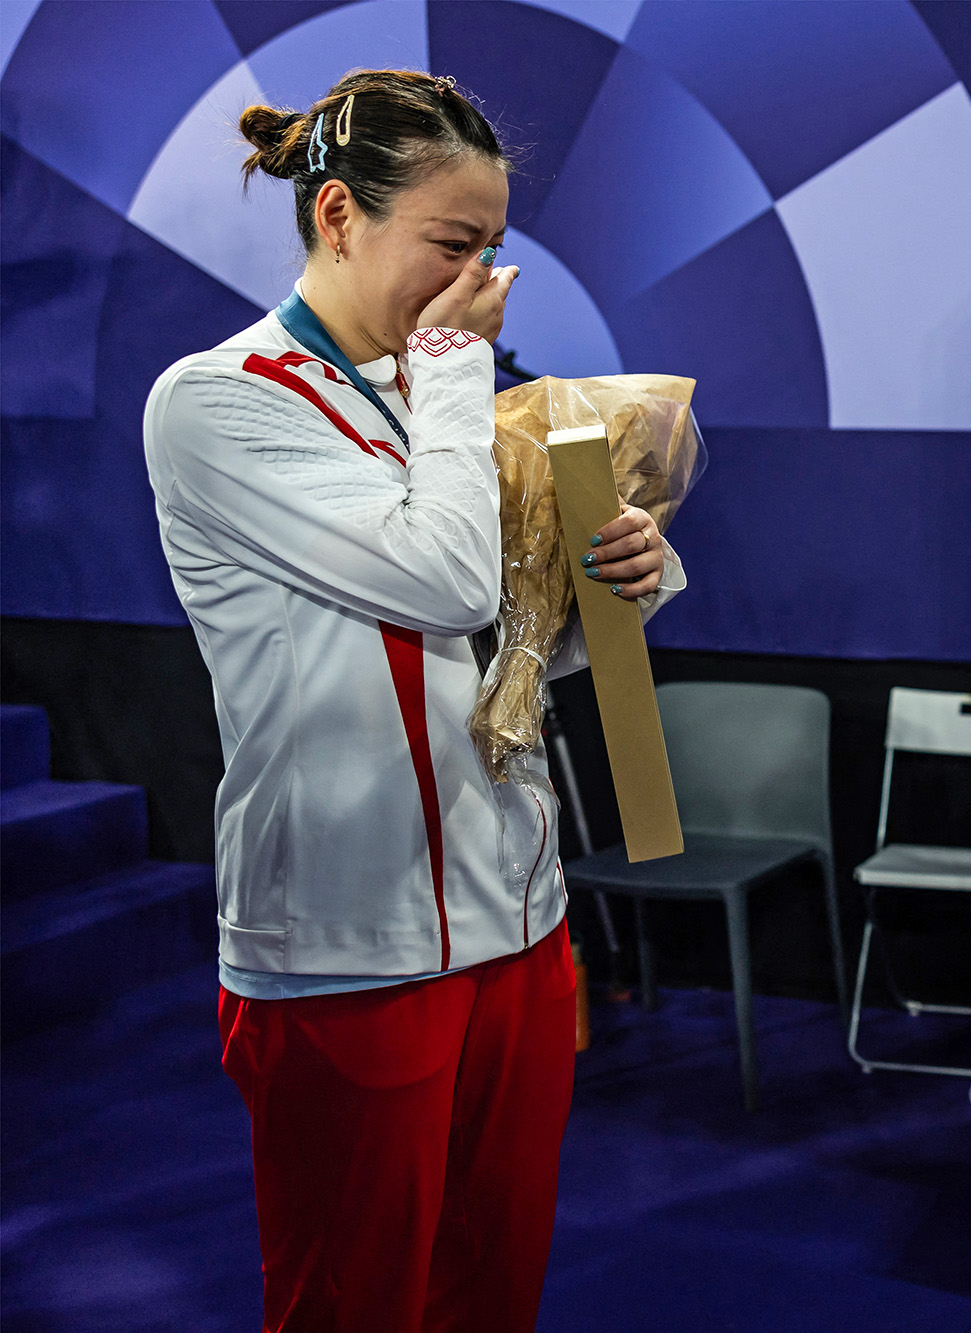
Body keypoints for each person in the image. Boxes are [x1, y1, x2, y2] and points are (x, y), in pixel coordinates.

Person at [142, 69, 681, 1332]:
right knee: (354, 1306)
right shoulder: (219, 401)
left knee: (491, 1295)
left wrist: (624, 582)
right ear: (337, 217)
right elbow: (440, 583)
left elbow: (504, 651)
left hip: (519, 927)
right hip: (345, 950)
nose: (477, 283)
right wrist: (452, 364)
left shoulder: (439, 399)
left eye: (491, 250)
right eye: (451, 245)